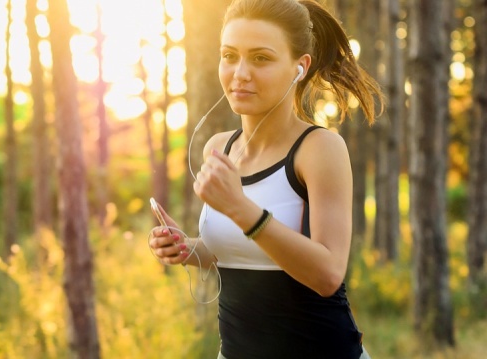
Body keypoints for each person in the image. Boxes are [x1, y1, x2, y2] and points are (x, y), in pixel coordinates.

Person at [148, 0, 383, 358]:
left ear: (299, 67)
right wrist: (189, 249)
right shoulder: (219, 148)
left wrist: (242, 210)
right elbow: (240, 252)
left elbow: (327, 274)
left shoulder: (319, 149)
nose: (240, 73)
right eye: (229, 55)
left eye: (260, 58)